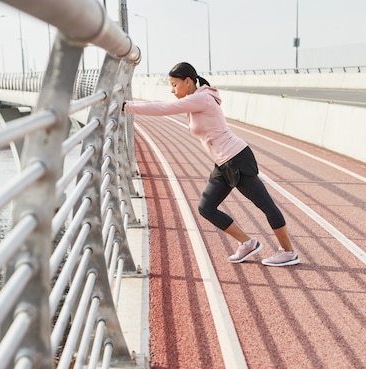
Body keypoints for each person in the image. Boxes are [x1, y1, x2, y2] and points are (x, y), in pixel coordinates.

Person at [123, 61, 300, 266]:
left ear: (188, 81)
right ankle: (248, 243)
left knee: (265, 204)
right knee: (206, 208)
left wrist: (126, 107)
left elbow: (164, 108)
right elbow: (162, 102)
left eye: (174, 85)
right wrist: (130, 103)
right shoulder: (196, 98)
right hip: (223, 163)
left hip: (236, 158)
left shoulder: (201, 98)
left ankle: (288, 252)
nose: (172, 90)